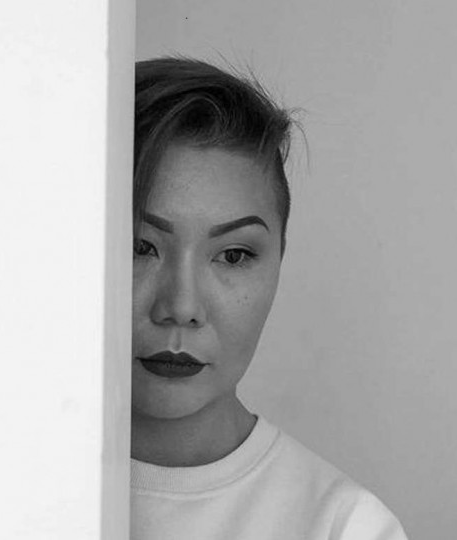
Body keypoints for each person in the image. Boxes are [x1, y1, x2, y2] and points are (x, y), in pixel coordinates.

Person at [130, 56, 409, 540]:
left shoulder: (344, 527)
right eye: (139, 247)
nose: (182, 307)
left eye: (233, 256)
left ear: (279, 260)